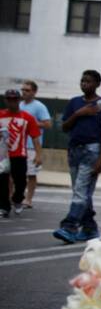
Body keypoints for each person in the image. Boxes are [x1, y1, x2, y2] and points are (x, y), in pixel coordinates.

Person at [53, 70, 101, 243]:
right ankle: (90, 228)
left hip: (92, 151)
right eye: (82, 81)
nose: (85, 84)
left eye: (89, 81)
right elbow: (64, 127)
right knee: (82, 192)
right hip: (74, 150)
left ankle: (69, 226)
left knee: (81, 191)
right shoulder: (74, 103)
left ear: (98, 84)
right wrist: (79, 114)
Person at [1, 89, 42, 218]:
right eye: (9, 99)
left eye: (14, 99)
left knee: (20, 182)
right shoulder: (1, 115)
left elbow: (35, 137)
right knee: (2, 182)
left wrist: (38, 154)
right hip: (3, 155)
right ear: (5, 100)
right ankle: (4, 207)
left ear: (19, 100)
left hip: (20, 154)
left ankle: (18, 199)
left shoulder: (27, 118)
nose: (12, 102)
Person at [19, 79, 52, 209]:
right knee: (13, 173)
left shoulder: (39, 106)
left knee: (31, 174)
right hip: (17, 145)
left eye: (27, 90)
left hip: (32, 145)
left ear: (34, 92)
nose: (24, 92)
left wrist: (31, 123)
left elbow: (48, 124)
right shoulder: (19, 105)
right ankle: (13, 197)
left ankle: (28, 199)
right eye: (23, 90)